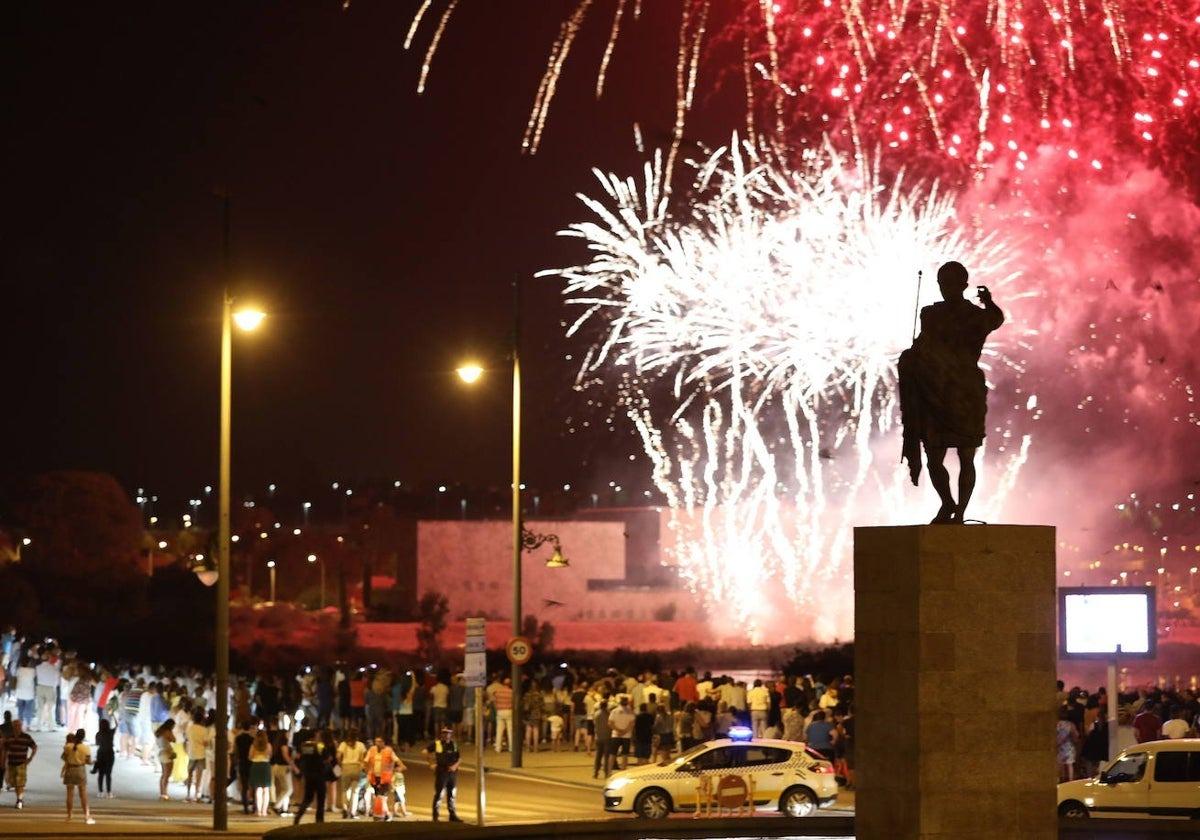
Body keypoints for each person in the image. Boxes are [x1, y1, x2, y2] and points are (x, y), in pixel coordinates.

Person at [898, 260, 1005, 523]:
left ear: (963, 285)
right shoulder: (933, 314)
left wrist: (988, 303)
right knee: (935, 456)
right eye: (943, 284)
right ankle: (949, 504)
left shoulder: (970, 315)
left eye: (951, 283)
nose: (946, 288)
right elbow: (923, 347)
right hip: (941, 392)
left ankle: (959, 512)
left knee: (965, 456)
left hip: (962, 393)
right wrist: (912, 358)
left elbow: (996, 319)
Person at [293, 729, 335, 824]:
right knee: (321, 799)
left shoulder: (305, 746)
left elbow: (300, 757)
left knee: (307, 798)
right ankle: (319, 820)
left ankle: (298, 817)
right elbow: (327, 758)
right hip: (319, 775)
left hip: (308, 775)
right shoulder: (320, 746)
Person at [424, 726, 461, 822]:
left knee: (451, 794)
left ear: (450, 734)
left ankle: (452, 815)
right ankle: (435, 816)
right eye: (444, 733)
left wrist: (455, 766)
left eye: (448, 733)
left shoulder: (454, 744)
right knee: (439, 794)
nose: (446, 734)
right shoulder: (437, 743)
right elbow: (424, 752)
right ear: (441, 734)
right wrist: (431, 764)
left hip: (452, 773)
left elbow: (459, 758)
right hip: (441, 772)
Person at [62, 728, 95, 824]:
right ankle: (86, 815)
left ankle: (69, 815)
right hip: (80, 770)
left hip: (70, 770)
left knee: (69, 794)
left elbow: (64, 757)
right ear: (83, 737)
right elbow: (88, 761)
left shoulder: (68, 746)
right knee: (83, 794)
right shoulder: (86, 748)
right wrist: (92, 762)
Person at [4, 720, 36, 809]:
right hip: (11, 763)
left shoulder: (26, 737)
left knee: (20, 783)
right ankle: (19, 798)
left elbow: (34, 747)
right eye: (15, 726)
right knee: (14, 783)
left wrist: (30, 758)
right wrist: (4, 762)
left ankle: (19, 800)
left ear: (21, 726)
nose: (17, 727)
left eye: (18, 725)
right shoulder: (9, 737)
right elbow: (5, 750)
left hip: (21, 763)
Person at [336, 728, 367, 819]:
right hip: (356, 768)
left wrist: (340, 765)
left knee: (344, 790)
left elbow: (338, 756)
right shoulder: (361, 745)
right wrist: (361, 766)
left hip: (346, 767)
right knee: (355, 791)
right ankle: (352, 812)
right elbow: (363, 758)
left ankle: (345, 808)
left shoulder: (343, 744)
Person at [184, 708, 210, 803]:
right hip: (201, 753)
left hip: (191, 753)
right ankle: (196, 794)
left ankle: (188, 793)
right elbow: (206, 743)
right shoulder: (204, 730)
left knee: (190, 773)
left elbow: (186, 738)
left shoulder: (190, 728)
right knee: (199, 775)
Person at [269, 729, 294, 817]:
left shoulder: (277, 744)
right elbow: (286, 756)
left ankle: (285, 809)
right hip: (284, 767)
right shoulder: (284, 745)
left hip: (278, 767)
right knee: (288, 789)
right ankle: (277, 806)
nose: (289, 735)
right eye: (288, 733)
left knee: (285, 789)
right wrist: (294, 765)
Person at [249, 730, 273, 817]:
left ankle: (258, 811)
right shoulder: (268, 745)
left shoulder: (253, 746)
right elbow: (269, 756)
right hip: (265, 766)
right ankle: (264, 811)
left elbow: (250, 756)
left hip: (256, 765)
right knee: (266, 789)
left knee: (258, 789)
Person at [1056, 708, 1080, 782]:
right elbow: (1076, 735)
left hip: (1059, 746)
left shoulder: (1057, 724)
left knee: (1061, 764)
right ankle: (1070, 779)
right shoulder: (1071, 724)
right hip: (1069, 746)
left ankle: (1062, 779)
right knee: (1070, 764)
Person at [155, 719, 176, 800]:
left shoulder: (159, 732)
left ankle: (162, 792)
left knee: (163, 774)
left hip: (161, 753)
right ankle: (164, 793)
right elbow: (174, 739)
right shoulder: (168, 732)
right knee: (167, 775)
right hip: (167, 754)